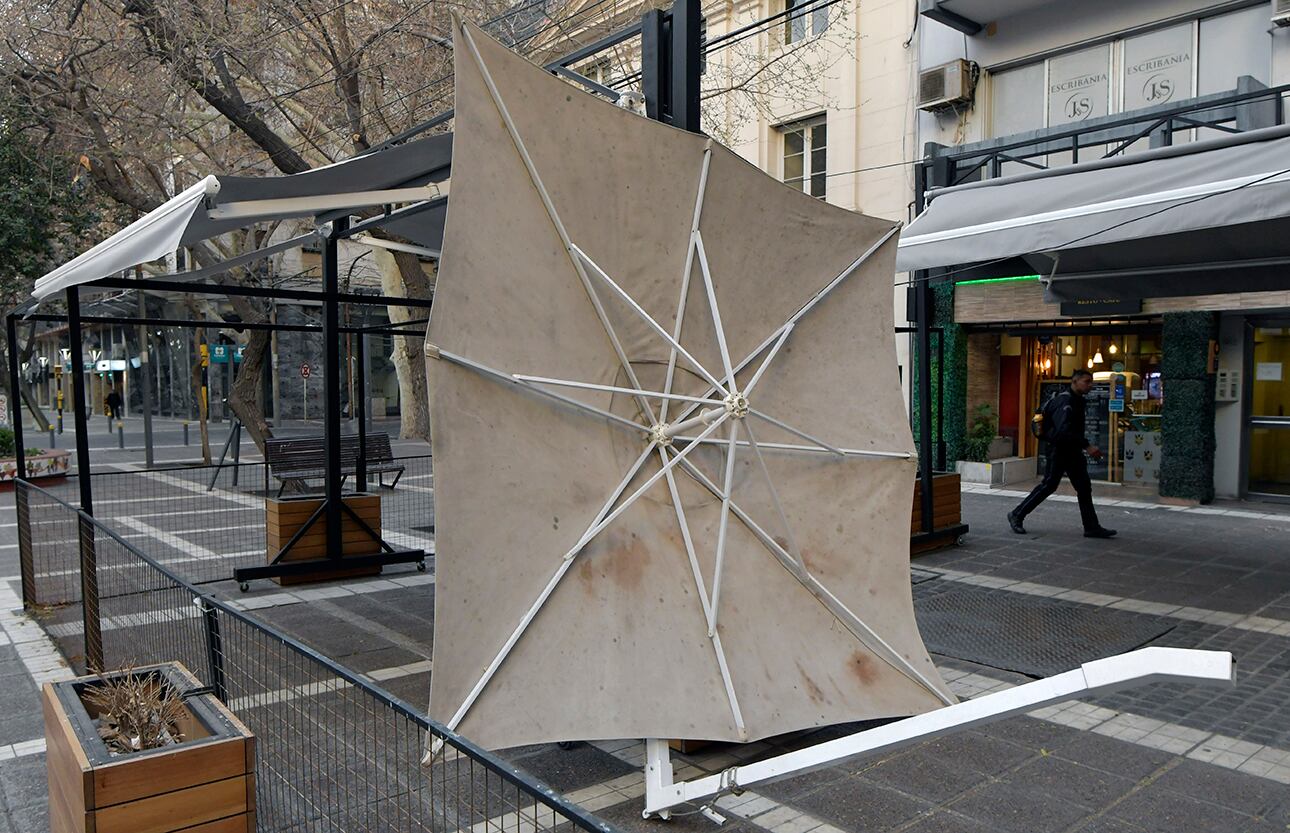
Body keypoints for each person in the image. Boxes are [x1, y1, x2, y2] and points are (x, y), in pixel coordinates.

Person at [1008, 369, 1117, 539]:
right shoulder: (1065, 402)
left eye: (1091, 381)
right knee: (1048, 486)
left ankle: (1091, 527)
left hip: (1072, 451)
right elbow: (1063, 431)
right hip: (1058, 450)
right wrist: (1087, 446)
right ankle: (1017, 514)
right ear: (1075, 382)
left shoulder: (1077, 400)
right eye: (1086, 381)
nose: (1090, 385)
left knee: (1083, 487)